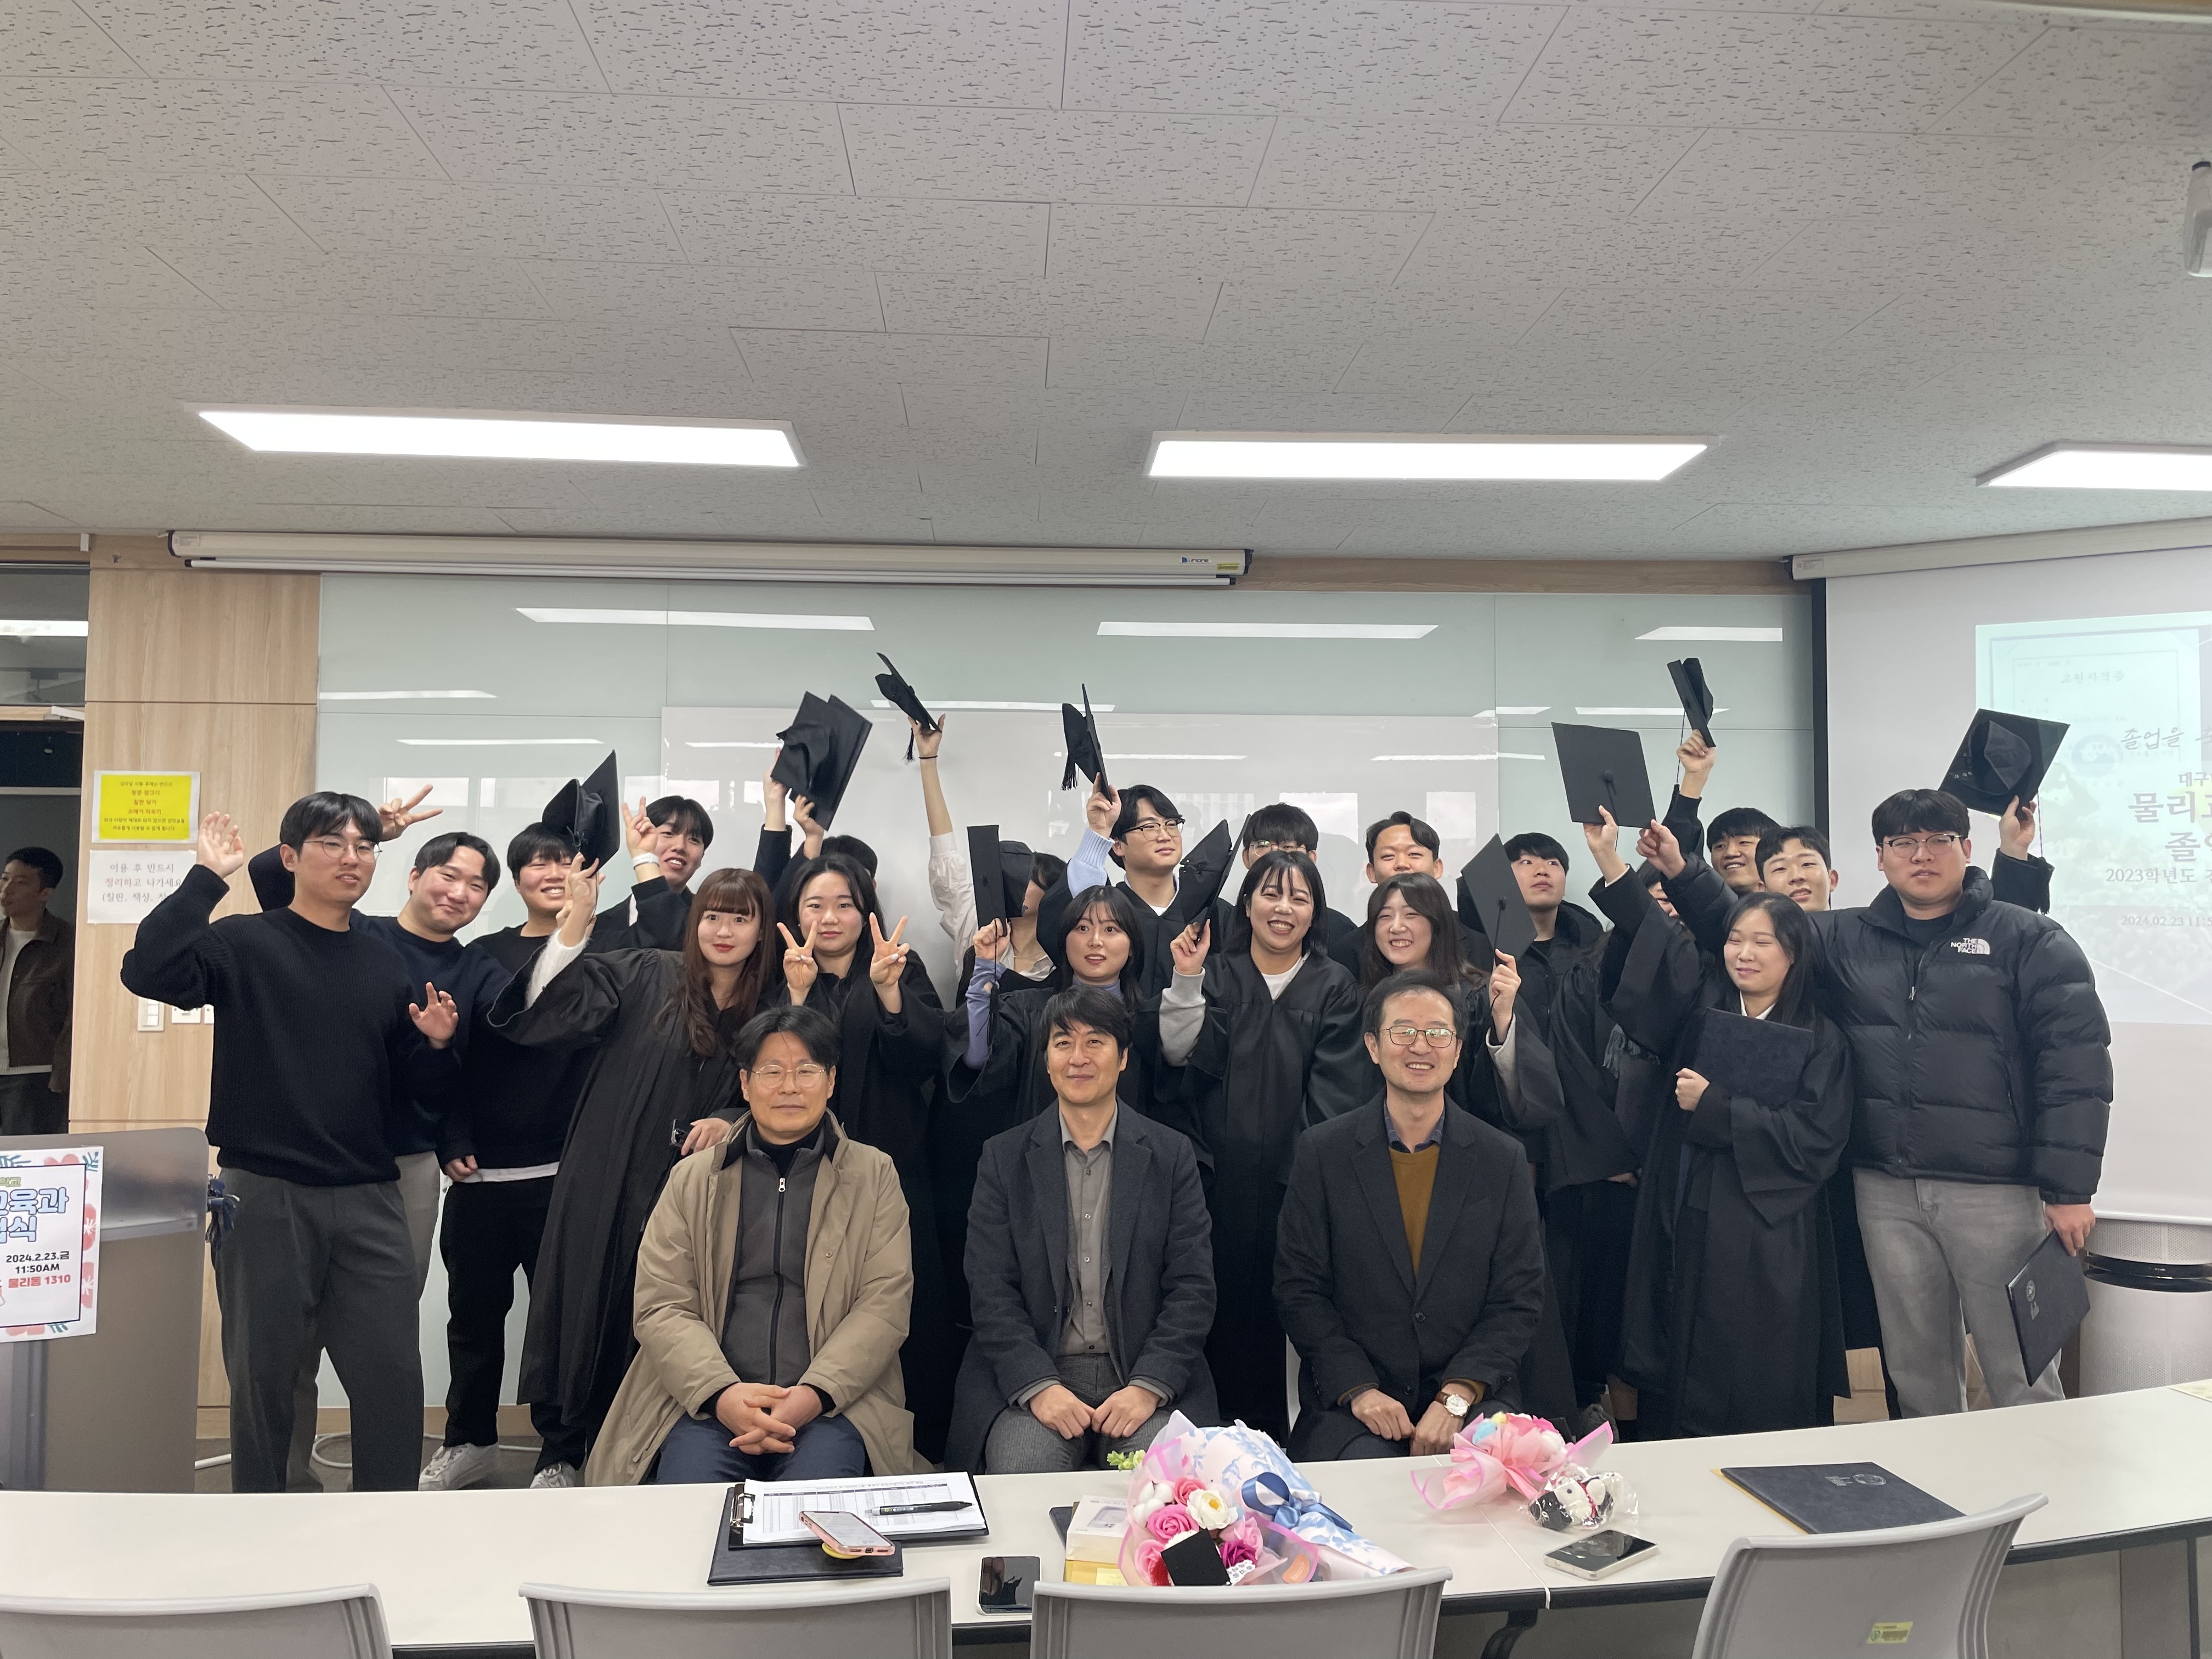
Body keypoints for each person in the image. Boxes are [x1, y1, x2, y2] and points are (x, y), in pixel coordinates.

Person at [1644, 789, 2112, 1415]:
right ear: (1880, 857)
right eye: (1903, 843)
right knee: (1916, 1369)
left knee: (2020, 1371)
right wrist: (1682, 871)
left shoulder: (2029, 938)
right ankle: (1937, 1478)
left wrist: (2070, 1188)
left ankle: (2044, 1480)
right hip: (1885, 1189)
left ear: (1966, 848)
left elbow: (2075, 1066)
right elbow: (1753, 929)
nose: (1921, 855)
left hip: (1994, 1189)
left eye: (1938, 840)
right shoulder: (1845, 936)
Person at [120, 797, 460, 1493]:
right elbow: (148, 971)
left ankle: (388, 1518)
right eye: (332, 843)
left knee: (392, 1375)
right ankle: (266, 1522)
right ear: (290, 858)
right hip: (265, 1194)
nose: (351, 858)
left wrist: (435, 1047)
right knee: (265, 1376)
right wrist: (206, 879)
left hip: (370, 1195)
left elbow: (410, 1092)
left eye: (364, 846)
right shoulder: (245, 942)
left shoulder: (384, 959)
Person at [484, 859, 778, 1484]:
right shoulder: (648, 971)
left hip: (698, 1193)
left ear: (761, 930)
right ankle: (561, 1453)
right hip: (608, 1171)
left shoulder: (769, 1004)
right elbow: (555, 1009)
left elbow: (786, 1089)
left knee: (668, 1313)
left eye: (741, 919)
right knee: (583, 1300)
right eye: (713, 917)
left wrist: (731, 1117)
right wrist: (576, 923)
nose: (725, 931)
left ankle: (640, 1459)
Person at [249, 816, 508, 1488]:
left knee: (382, 1344)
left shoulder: (476, 969)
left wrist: (452, 1137)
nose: (459, 892)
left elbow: (469, 1068)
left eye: (476, 885)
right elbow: (271, 873)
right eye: (447, 874)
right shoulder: (353, 931)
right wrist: (367, 829)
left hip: (405, 1166)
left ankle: (380, 1499)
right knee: (292, 1340)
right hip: (311, 1165)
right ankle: (288, 1485)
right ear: (414, 875)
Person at [1585, 811, 1854, 1437]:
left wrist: (1718, 1109)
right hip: (1684, 1207)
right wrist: (1612, 864)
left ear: (1795, 954)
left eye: (1764, 943)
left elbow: (1816, 1142)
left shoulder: (1822, 1037)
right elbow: (1655, 937)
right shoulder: (1700, 1008)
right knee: (1677, 1353)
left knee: (1762, 1371)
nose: (1745, 953)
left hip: (1768, 1229)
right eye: (1735, 939)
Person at [585, 1003, 920, 1485]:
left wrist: (813, 1395)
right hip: (706, 1402)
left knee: (813, 1515)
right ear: (745, 1084)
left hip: (832, 1405)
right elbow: (662, 1305)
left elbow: (884, 1305)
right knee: (693, 1510)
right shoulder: (692, 1179)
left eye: (806, 1071)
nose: (789, 1087)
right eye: (772, 1072)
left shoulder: (874, 1175)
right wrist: (722, 1395)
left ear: (830, 1081)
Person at [1274, 970, 1547, 1460]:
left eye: (1438, 1033)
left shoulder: (1501, 1159)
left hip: (1475, 1397)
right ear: (1373, 1046)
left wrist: (1458, 1393)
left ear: (1458, 1050)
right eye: (1403, 1031)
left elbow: (1518, 1299)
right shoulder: (1322, 1152)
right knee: (1366, 1480)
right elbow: (1300, 1289)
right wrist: (1359, 1389)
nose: (1420, 1046)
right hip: (1353, 1403)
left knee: (1485, 1484)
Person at [949, 986, 1216, 1472]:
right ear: (1047, 1061)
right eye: (1063, 1043)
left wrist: (1147, 1386)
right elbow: (990, 1290)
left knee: (1165, 1482)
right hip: (1040, 1375)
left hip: (1139, 1375)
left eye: (1095, 1042)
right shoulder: (1004, 1158)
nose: (1078, 1058)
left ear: (1123, 1058)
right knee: (1023, 1471)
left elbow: (1192, 1288)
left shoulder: (1171, 1155)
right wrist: (1038, 1387)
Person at [1158, 850, 1367, 1441]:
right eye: (1271, 894)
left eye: (1300, 898)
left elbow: (1336, 1097)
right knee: (1212, 1305)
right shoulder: (1215, 974)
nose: (1283, 908)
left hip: (1292, 1189)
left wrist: (1302, 1185)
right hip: (1213, 1184)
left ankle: (1286, 1442)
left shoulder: (1335, 986)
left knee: (1290, 1308)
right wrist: (1187, 979)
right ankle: (1206, 1441)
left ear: (1315, 913)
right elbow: (1177, 1061)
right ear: (1246, 904)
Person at [417, 821, 593, 1491]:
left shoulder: (605, 951)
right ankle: (469, 1441)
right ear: (515, 880)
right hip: (481, 1177)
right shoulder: (480, 955)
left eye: (564, 861)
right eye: (537, 863)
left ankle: (562, 1451)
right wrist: (451, 1136)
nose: (552, 873)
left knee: (561, 1326)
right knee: (473, 1322)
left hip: (566, 1179)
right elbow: (454, 1054)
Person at [777, 853, 957, 1458]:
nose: (830, 918)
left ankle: (919, 1438)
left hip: (893, 1164)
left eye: (844, 905)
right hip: (802, 1172)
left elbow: (926, 1059)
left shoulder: (898, 965)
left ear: (866, 910)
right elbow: (773, 1071)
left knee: (904, 1296)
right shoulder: (784, 975)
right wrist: (797, 993)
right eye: (815, 905)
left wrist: (888, 993)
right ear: (796, 912)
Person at [1500, 830, 1638, 1427]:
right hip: (1521, 1144)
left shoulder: (1597, 946)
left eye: (1554, 861)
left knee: (1599, 1286)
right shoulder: (1489, 953)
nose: (1543, 870)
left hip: (1596, 1146)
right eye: (1526, 862)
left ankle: (1588, 1401)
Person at [913, 715, 1067, 1000]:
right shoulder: (977, 927)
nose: (1015, 882)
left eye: (1029, 878)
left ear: (1051, 894)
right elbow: (945, 853)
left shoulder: (1064, 958)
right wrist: (928, 761)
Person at [1053, 781, 1189, 994]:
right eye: (1149, 827)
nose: (1165, 836)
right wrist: (1099, 831)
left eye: (1171, 824)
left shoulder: (1211, 912)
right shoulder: (1109, 911)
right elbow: (1072, 909)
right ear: (1118, 845)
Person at [0, 844, 72, 1135]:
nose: (7, 890)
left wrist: (62, 1076)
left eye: (21, 882)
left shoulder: (67, 943)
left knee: (23, 1160)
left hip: (34, 1077)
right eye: (5, 878)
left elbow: (73, 1019)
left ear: (46, 893)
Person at [593, 793, 714, 946]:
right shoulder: (598, 926)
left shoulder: (710, 921)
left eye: (694, 840)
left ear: (702, 857)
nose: (680, 846)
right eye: (668, 834)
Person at [1661, 736, 1778, 894]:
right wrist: (1695, 777)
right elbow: (1680, 855)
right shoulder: (1708, 905)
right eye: (1720, 846)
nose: (1730, 853)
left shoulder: (1797, 903)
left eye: (1744, 843)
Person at [1238, 803, 1357, 947]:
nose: (1275, 856)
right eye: (1263, 845)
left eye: (1288, 846)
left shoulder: (1341, 931)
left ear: (1311, 859)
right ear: (1246, 858)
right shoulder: (1221, 925)